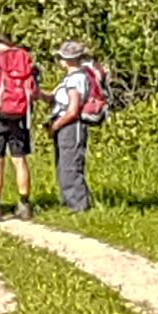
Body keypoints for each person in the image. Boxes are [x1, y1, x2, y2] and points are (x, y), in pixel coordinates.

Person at [0, 27, 40, 215]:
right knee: (19, 159)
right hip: (20, 114)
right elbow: (34, 91)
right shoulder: (24, 60)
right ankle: (24, 204)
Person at [48, 38, 110, 210]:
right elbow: (55, 98)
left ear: (68, 60)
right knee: (64, 164)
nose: (59, 60)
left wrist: (55, 126)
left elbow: (73, 110)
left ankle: (79, 205)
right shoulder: (71, 78)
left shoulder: (76, 79)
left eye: (61, 57)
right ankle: (70, 201)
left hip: (71, 126)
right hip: (67, 124)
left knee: (70, 165)